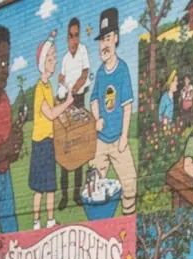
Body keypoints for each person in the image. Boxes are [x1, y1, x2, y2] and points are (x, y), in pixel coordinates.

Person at [89, 7, 137, 216]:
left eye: (108, 38)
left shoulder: (122, 69)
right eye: (101, 40)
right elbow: (93, 100)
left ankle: (128, 218)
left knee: (131, 182)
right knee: (93, 187)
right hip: (101, 141)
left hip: (118, 139)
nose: (104, 44)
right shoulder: (100, 73)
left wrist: (124, 136)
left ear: (116, 38)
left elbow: (127, 106)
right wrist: (96, 117)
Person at [31, 33, 74, 231]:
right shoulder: (40, 88)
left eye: (55, 57)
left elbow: (54, 109)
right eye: (50, 58)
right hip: (40, 143)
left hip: (48, 142)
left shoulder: (48, 86)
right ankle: (35, 224)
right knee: (39, 188)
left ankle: (49, 221)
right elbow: (49, 114)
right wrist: (67, 103)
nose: (54, 61)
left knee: (50, 186)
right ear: (43, 64)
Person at [58, 17, 90, 211]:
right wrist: (62, 81)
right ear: (67, 37)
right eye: (71, 36)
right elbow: (61, 77)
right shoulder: (64, 58)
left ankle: (76, 194)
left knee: (77, 151)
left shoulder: (83, 51)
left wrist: (75, 89)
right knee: (65, 150)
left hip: (77, 100)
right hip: (66, 103)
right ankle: (64, 196)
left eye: (77, 35)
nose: (74, 40)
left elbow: (85, 74)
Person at [0, 25, 21, 234]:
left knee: (14, 240)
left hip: (6, 178)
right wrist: (6, 149)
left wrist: (15, 146)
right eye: (2, 61)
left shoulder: (6, 102)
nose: (6, 68)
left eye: (8, 62)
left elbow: (10, 153)